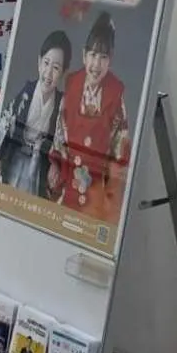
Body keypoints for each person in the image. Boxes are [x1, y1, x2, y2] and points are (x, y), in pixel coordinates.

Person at [53, 14, 132, 229]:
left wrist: (110, 195)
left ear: (110, 60)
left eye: (103, 57)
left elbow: (121, 152)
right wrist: (57, 168)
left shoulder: (115, 96)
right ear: (84, 55)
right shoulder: (72, 86)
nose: (96, 64)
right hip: (68, 184)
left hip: (97, 192)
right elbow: (60, 134)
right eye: (93, 54)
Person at [0, 31, 70, 200]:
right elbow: (7, 124)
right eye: (46, 63)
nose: (48, 73)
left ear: (63, 72)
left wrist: (55, 163)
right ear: (39, 62)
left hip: (39, 163)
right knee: (9, 196)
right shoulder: (26, 94)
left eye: (56, 68)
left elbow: (61, 139)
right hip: (16, 155)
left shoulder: (61, 103)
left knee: (32, 201)